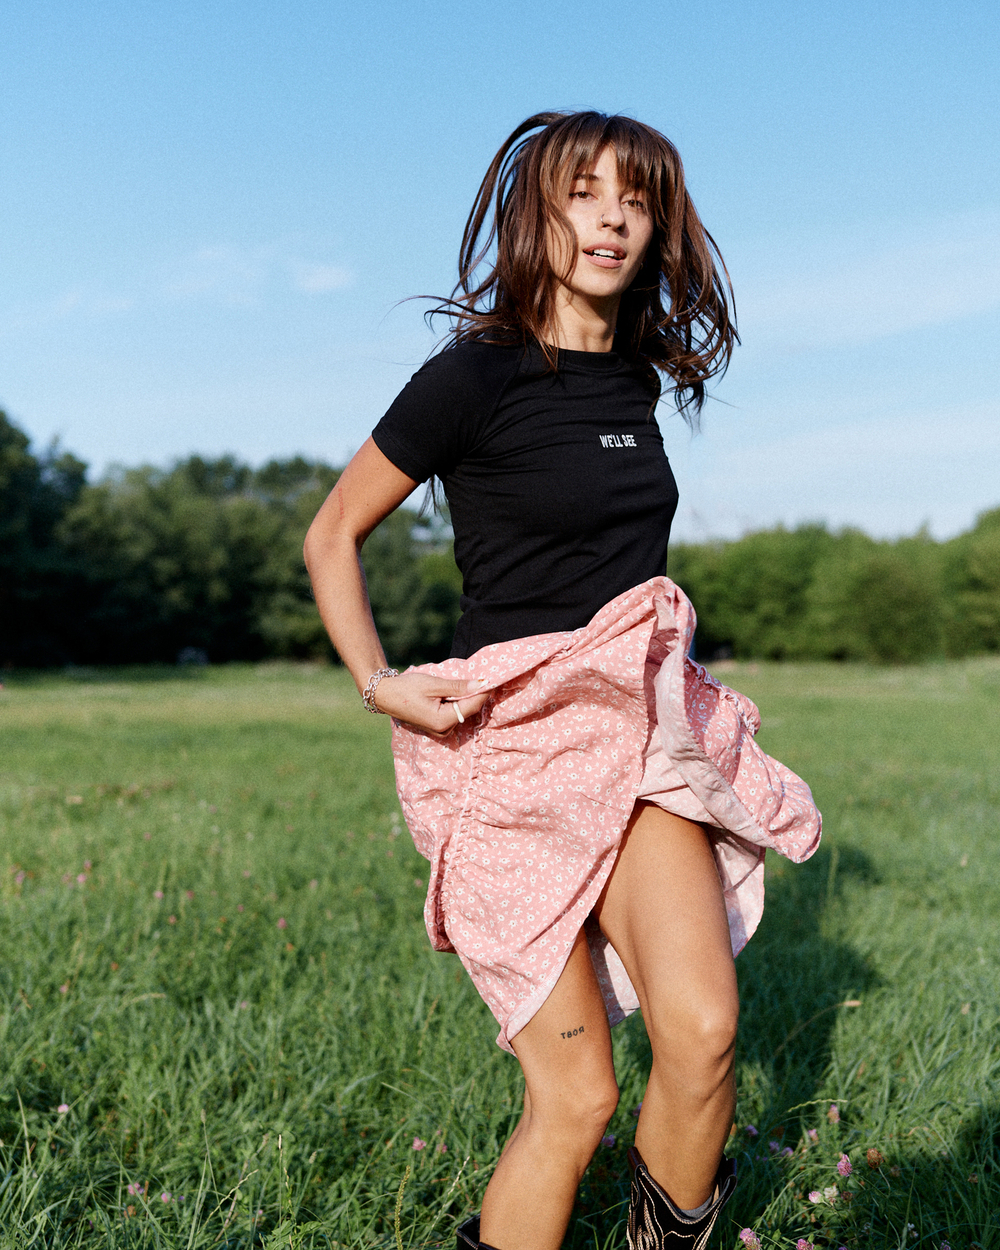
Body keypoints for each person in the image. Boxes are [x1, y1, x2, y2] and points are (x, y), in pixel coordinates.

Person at [304, 111, 821, 1250]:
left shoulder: (633, 379)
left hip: (636, 742)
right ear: (537, 211)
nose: (613, 217)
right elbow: (332, 530)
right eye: (585, 192)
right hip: (516, 751)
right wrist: (379, 680)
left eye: (635, 198)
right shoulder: (471, 378)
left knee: (702, 1031)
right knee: (578, 1097)